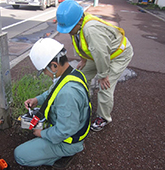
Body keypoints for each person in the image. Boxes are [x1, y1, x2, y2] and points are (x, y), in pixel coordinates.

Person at [14, 38, 92, 169]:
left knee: (20, 155)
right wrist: (37, 100)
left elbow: (66, 129)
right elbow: (52, 93)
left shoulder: (68, 93)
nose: (45, 74)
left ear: (54, 66)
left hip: (68, 141)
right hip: (71, 127)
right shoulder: (72, 74)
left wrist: (41, 133)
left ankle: (60, 156)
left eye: (44, 70)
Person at [56, 0, 134, 131]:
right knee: (81, 76)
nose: (68, 32)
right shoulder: (76, 26)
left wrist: (103, 75)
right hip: (101, 53)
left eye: (70, 28)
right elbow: (80, 43)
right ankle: (83, 100)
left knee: (105, 87)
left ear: (80, 19)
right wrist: (83, 60)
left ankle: (103, 118)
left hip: (118, 54)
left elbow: (101, 54)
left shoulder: (91, 30)